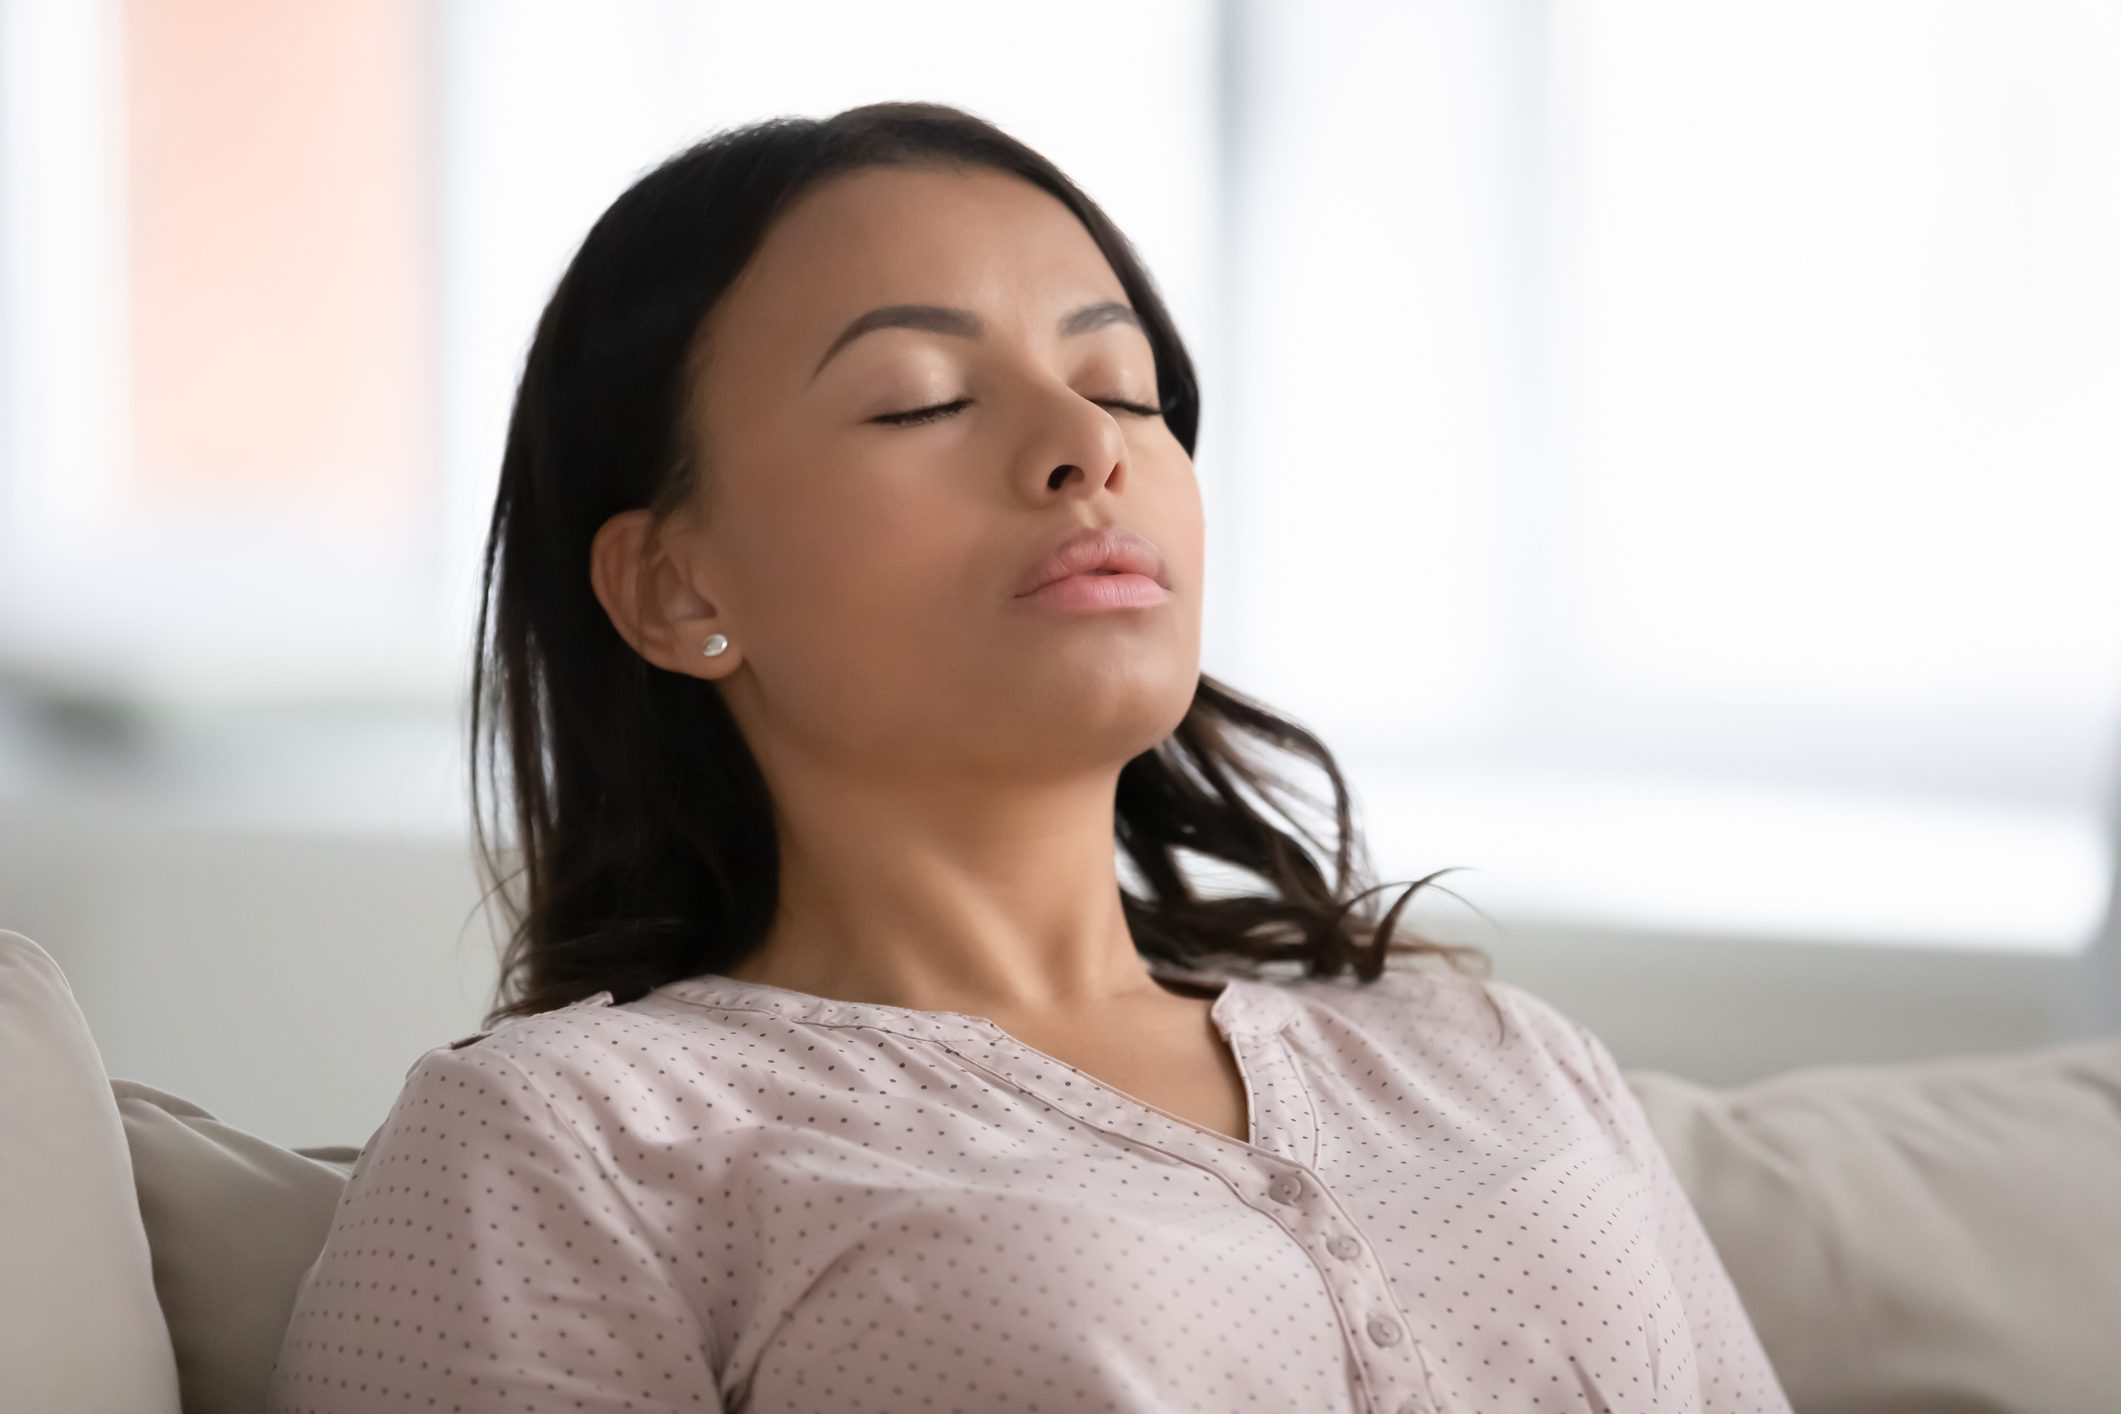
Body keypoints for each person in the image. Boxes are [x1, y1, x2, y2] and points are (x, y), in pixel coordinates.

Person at [266, 101, 1792, 1414]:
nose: (1086, 441)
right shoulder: (567, 1141)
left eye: (1125, 386)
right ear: (678, 587)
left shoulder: (1496, 1058)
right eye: (920, 397)